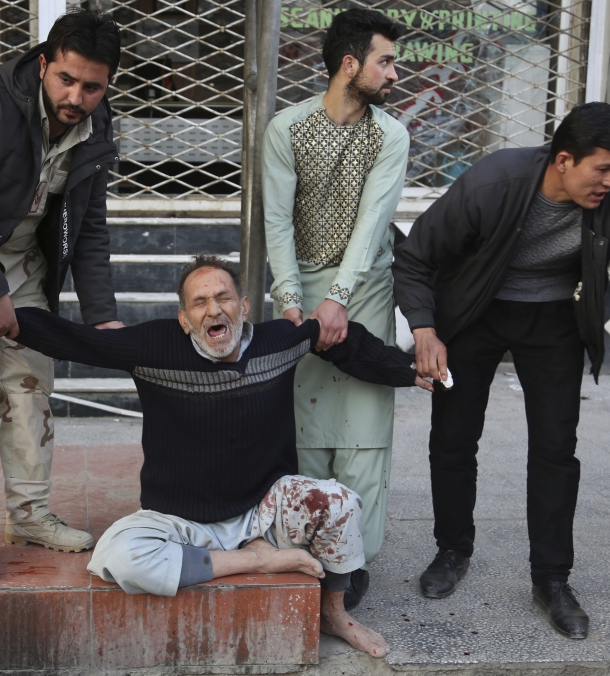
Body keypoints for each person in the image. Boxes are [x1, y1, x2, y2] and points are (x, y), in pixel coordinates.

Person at [4, 254, 434, 658]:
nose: (214, 309)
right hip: (181, 521)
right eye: (200, 302)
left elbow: (340, 339)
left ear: (244, 305)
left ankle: (335, 613)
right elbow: (74, 340)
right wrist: (4, 319)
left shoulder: (278, 341)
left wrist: (408, 369)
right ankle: (257, 560)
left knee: (339, 502)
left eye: (223, 297)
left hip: (261, 513)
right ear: (184, 318)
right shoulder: (154, 346)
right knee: (117, 556)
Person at [393, 102, 610, 639]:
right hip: (473, 314)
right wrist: (424, 329)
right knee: (455, 438)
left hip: (555, 319)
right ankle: (452, 549)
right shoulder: (495, 181)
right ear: (563, 159)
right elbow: (417, 256)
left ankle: (552, 578)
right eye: (601, 168)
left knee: (556, 449)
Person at [0, 9, 123, 582]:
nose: (77, 96)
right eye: (67, 79)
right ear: (43, 65)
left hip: (26, 267)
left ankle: (30, 514)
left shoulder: (97, 122)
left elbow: (89, 224)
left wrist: (103, 316)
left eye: (93, 86)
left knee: (31, 391)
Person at [261, 8, 408, 609]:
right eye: (386, 61)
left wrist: (340, 301)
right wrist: (293, 302)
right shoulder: (286, 129)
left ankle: (357, 561)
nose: (394, 74)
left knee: (364, 432)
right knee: (307, 427)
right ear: (351, 65)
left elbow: (373, 223)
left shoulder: (390, 134)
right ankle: (308, 550)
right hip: (297, 291)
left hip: (365, 290)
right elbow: (276, 220)